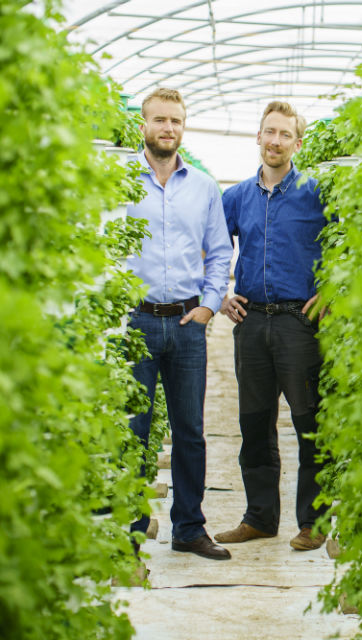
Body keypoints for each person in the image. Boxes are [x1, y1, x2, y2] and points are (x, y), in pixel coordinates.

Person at [214, 101, 331, 551]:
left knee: (308, 422)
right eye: (269, 132)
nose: (275, 141)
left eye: (285, 134)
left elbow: (349, 241)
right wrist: (219, 294)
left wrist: (336, 287)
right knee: (255, 423)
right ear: (258, 138)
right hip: (251, 322)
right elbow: (209, 245)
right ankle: (260, 518)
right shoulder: (237, 197)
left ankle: (312, 522)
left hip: (298, 323)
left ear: (297, 143)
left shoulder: (316, 193)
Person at [127, 87, 234, 561]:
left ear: (182, 127)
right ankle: (126, 529)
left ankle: (189, 528)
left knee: (189, 430)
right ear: (144, 126)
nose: (168, 128)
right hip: (137, 321)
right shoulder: (121, 181)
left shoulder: (205, 187)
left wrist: (209, 306)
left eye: (176, 121)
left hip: (188, 323)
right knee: (133, 427)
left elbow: (220, 253)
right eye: (160, 120)